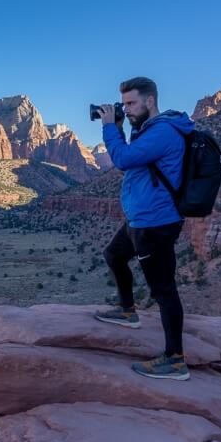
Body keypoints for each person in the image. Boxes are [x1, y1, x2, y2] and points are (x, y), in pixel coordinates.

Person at [93, 76, 195, 381]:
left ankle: (175, 359)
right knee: (113, 255)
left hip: (156, 223)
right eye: (123, 104)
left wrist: (110, 126)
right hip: (141, 219)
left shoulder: (163, 131)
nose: (126, 108)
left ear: (150, 101)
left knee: (163, 290)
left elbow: (123, 159)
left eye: (131, 103)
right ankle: (127, 311)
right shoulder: (150, 129)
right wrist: (126, 123)